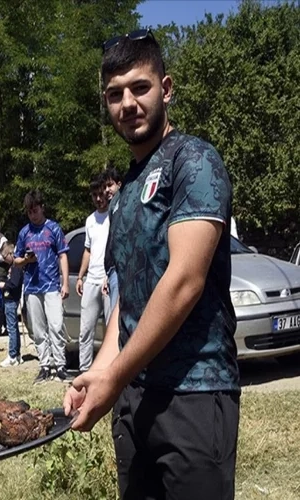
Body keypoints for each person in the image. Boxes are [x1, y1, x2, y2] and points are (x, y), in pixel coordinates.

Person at [63, 31, 239, 500]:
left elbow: (184, 282)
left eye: (140, 87)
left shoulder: (195, 161)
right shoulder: (123, 195)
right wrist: (101, 374)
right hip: (135, 398)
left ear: (166, 87)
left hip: (196, 393)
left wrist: (113, 377)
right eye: (115, 94)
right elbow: (129, 297)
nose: (128, 103)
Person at [14, 190, 70, 384]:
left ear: (42, 208)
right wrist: (25, 260)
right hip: (31, 287)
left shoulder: (53, 228)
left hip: (52, 285)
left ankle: (60, 366)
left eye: (35, 210)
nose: (33, 215)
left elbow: (63, 255)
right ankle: (45, 366)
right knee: (38, 330)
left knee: (55, 325)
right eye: (29, 212)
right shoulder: (24, 232)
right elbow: (16, 259)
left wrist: (65, 282)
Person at [75, 175, 113, 373]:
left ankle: (109, 370)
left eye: (101, 195)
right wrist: (80, 276)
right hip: (91, 279)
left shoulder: (114, 215)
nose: (98, 199)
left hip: (108, 279)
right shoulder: (90, 220)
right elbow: (88, 250)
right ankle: (84, 371)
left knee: (111, 328)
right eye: (94, 196)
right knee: (85, 330)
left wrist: (111, 275)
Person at [101, 168, 122, 320]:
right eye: (105, 187)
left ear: (119, 185)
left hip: (121, 269)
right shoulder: (113, 207)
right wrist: (107, 275)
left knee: (117, 318)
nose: (107, 190)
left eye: (110, 185)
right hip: (112, 271)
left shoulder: (123, 203)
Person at [0, 243, 23, 367]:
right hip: (9, 298)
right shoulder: (12, 266)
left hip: (12, 299)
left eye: (4, 256)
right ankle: (17, 354)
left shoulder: (16, 266)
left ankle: (12, 355)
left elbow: (15, 283)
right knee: (14, 327)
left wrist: (4, 285)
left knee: (11, 328)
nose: (3, 259)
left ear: (11, 254)